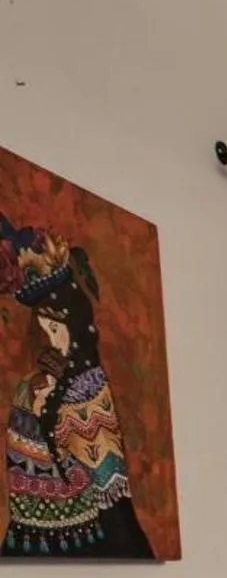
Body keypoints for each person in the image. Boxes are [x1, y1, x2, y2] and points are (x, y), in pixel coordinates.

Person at [2, 227, 152, 558]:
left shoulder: (90, 382)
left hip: (94, 526)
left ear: (76, 324)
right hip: (36, 522)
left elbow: (103, 472)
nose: (52, 340)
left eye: (57, 328)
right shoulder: (36, 380)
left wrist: (49, 413)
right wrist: (35, 405)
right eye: (45, 328)